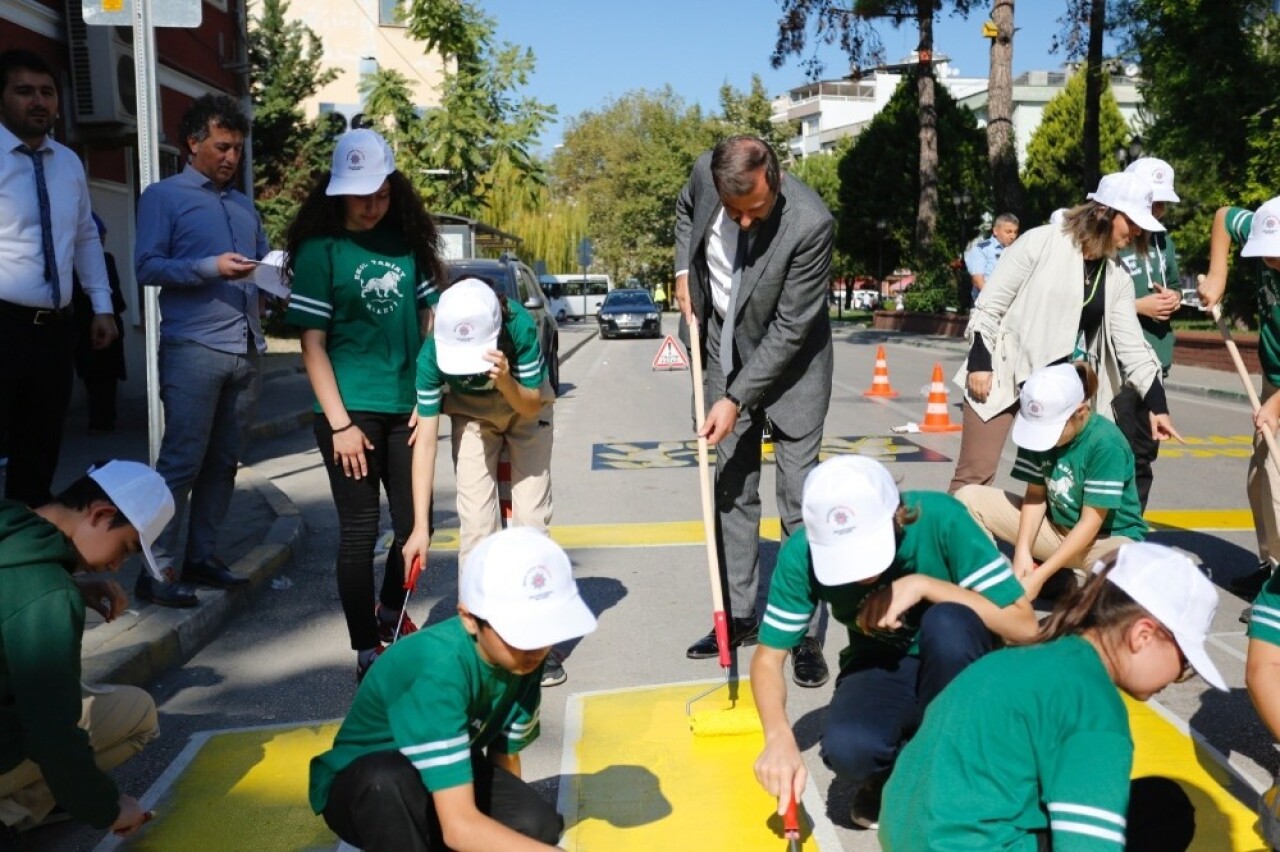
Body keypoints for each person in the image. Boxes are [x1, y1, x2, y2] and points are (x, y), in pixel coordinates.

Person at [751, 455, 1036, 831]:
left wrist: (925, 586)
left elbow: (1025, 626)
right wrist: (778, 736)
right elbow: (768, 659)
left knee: (947, 621)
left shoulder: (942, 518)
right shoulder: (801, 553)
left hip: (960, 661)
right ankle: (899, 773)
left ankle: (961, 766)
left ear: (896, 516)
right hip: (880, 662)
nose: (862, 572)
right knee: (849, 749)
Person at [880, 542, 1223, 852]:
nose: (1179, 677)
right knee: (1163, 813)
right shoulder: (1094, 708)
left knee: (1155, 804)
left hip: (907, 837)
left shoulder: (1016, 659)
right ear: (1143, 635)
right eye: (1186, 662)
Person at [311, 527, 597, 852]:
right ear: (469, 618)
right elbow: (459, 828)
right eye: (521, 632)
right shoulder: (439, 670)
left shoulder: (524, 660)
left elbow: (505, 756)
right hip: (367, 782)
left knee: (535, 825)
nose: (535, 647)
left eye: (546, 629)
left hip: (442, 768)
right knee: (388, 783)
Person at [673, 134, 835, 689]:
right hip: (722, 347)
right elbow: (684, 212)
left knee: (798, 502)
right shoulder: (704, 172)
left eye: (756, 210)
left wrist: (736, 396)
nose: (745, 223)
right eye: (734, 210)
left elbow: (791, 330)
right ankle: (740, 616)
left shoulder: (811, 224)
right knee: (732, 488)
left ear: (777, 179)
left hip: (793, 369)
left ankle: (805, 632)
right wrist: (681, 275)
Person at [284, 129, 445, 682]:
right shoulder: (318, 251)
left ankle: (389, 611)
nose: (371, 206)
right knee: (359, 531)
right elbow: (312, 344)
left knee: (413, 527)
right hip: (346, 413)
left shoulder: (407, 246)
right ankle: (365, 646)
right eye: (360, 195)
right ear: (337, 192)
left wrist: (428, 395)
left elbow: (430, 320)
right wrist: (341, 426)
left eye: (380, 193)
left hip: (407, 410)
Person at [948, 171, 1179, 495]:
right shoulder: (1041, 242)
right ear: (1104, 212)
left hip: (1062, 392)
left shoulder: (1117, 278)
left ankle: (1034, 545)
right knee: (976, 475)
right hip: (1003, 372)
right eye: (1133, 221)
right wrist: (979, 362)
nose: (1139, 230)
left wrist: (1158, 407)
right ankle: (947, 543)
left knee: (1057, 489)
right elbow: (989, 306)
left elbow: (1134, 348)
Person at [133, 93, 268, 608]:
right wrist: (210, 267)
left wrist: (273, 284)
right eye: (222, 146)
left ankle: (203, 556)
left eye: (237, 148)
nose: (231, 157)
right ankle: (155, 568)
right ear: (192, 144)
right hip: (193, 347)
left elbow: (257, 267)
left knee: (224, 462)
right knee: (182, 462)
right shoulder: (163, 197)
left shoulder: (243, 205)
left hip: (245, 345)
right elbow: (147, 266)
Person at [0, 460, 173, 844]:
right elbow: (52, 732)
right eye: (125, 549)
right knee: (138, 715)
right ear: (101, 513)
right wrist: (107, 807)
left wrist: (73, 584)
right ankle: (16, 807)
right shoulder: (48, 595)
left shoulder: (9, 521)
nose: (116, 565)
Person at [403, 279, 560, 683]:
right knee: (476, 528)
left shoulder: (520, 328)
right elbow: (424, 442)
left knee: (531, 525)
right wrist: (420, 527)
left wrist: (505, 379)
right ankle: (477, 641)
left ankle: (535, 639)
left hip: (525, 406)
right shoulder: (432, 352)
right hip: (471, 416)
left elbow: (528, 404)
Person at [0, 50, 119, 507]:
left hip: (54, 331)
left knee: (39, 452)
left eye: (47, 93)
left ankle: (21, 565)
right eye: (24, 91)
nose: (38, 102)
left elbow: (86, 236)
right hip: (3, 325)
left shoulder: (68, 162)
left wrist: (102, 306)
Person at [957, 363, 1147, 600]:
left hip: (1105, 540)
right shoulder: (1038, 436)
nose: (1042, 438)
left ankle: (1072, 588)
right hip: (1057, 531)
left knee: (1113, 595)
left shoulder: (1106, 443)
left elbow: (1090, 523)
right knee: (967, 497)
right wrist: (1022, 552)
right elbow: (1035, 496)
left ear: (1081, 411)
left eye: (1051, 429)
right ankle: (988, 586)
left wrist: (1040, 575)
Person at [1200, 197, 1280, 601]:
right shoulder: (1264, 226)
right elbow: (1224, 217)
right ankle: (1272, 566)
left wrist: (1276, 406)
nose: (1268, 260)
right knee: (1259, 478)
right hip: (1274, 377)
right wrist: (1218, 275)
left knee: (1278, 480)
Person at [1114, 158, 1183, 512]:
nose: (1161, 209)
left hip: (1154, 358)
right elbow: (1092, 299)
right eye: (1154, 201)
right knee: (1118, 453)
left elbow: (1172, 281)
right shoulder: (1115, 235)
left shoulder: (1164, 239)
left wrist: (1175, 297)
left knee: (1143, 454)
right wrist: (1138, 307)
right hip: (1120, 364)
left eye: (1164, 202)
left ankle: (1130, 533)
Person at [72, 213, 127, 434]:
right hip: (98, 323)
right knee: (101, 377)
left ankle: (101, 418)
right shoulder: (104, 261)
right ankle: (103, 418)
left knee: (97, 378)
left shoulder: (74, 262)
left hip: (89, 325)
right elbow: (116, 296)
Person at [964, 212, 1020, 304]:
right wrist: (994, 301)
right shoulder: (982, 249)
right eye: (1008, 232)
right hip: (986, 305)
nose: (1012, 236)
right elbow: (978, 280)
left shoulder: (1016, 250)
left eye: (1015, 232)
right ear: (995, 231)